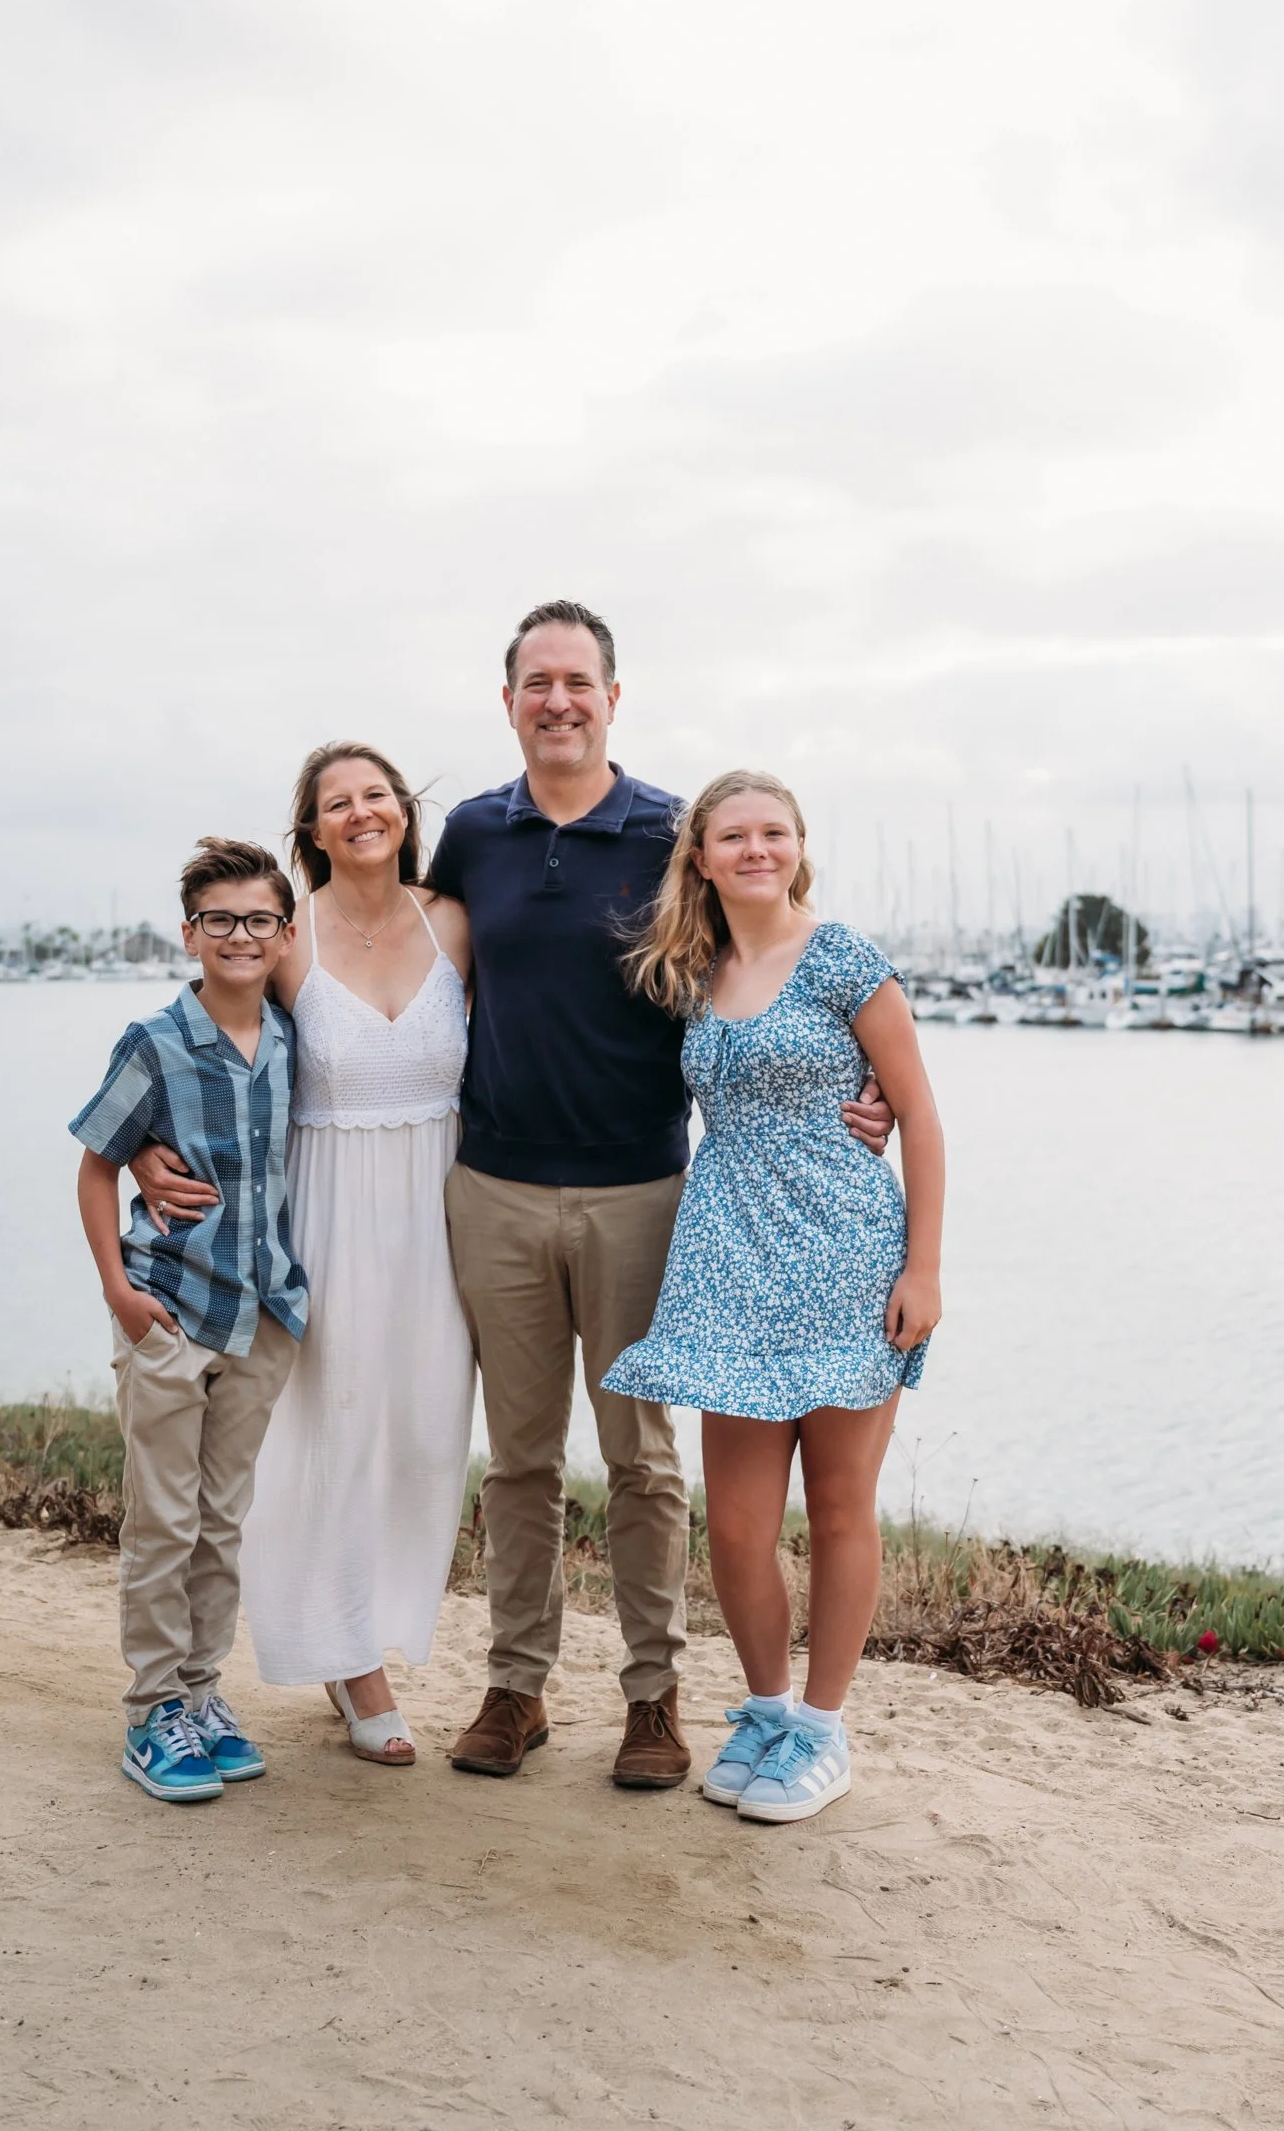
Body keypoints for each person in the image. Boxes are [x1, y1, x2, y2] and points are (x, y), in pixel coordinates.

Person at [430, 600, 897, 1788]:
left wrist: (867, 1092)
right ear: (510, 700)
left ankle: (654, 1699)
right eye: (537, 682)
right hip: (495, 1187)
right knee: (520, 1459)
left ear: (612, 697)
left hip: (647, 1192)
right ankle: (515, 1688)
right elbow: (400, 969)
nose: (558, 700)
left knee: (642, 1462)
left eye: (578, 681)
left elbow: (766, 969)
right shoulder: (474, 836)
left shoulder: (669, 831)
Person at [603, 772, 944, 1825]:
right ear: (700, 857)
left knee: (840, 1510)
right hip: (727, 1266)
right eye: (733, 836)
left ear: (800, 846)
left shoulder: (842, 957)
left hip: (845, 1254)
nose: (757, 850)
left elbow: (921, 1118)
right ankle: (765, 1709)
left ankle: (825, 1732)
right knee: (740, 1529)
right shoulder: (693, 970)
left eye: (775, 833)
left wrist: (922, 1269)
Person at [132, 745, 473, 1766]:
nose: (361, 813)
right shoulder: (288, 937)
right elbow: (205, 1036)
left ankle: (379, 1625)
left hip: (442, 1204)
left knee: (421, 1434)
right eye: (338, 803)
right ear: (313, 830)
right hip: (320, 1203)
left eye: (376, 795)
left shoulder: (452, 921)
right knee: (328, 1430)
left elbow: (534, 1034)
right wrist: (143, 1147)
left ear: (403, 813)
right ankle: (345, 1657)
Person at [72, 839, 307, 1803]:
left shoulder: (292, 1039)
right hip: (170, 1308)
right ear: (190, 933)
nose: (239, 936)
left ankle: (203, 1695)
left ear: (284, 935)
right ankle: (151, 1711)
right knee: (163, 1523)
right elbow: (96, 1162)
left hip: (260, 1316)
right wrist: (119, 1296)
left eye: (258, 920)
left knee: (221, 1523)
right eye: (220, 921)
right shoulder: (155, 1042)